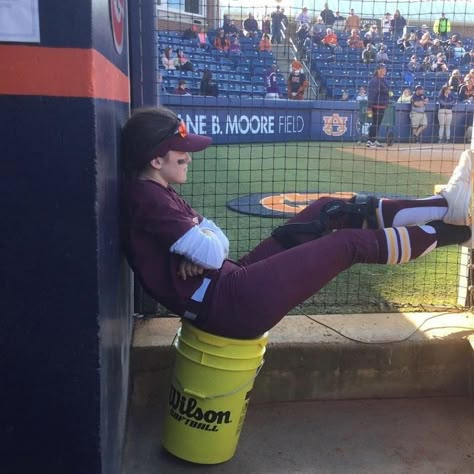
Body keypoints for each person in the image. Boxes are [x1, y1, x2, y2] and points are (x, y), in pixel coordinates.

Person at [121, 106, 472, 339]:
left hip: (229, 282)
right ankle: (459, 232)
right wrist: (203, 242)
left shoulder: (157, 189)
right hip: (227, 305)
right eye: (181, 150)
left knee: (327, 209)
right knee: (345, 244)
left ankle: (445, 205)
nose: (190, 156)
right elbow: (214, 250)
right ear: (155, 157)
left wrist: (201, 243)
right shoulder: (148, 198)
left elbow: (210, 247)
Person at [366, 64, 390, 148]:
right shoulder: (375, 80)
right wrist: (369, 106)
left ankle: (374, 140)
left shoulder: (382, 80)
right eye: (383, 69)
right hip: (376, 105)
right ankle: (370, 140)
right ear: (378, 70)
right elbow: (372, 94)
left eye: (385, 69)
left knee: (378, 123)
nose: (385, 71)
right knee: (375, 123)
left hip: (381, 105)